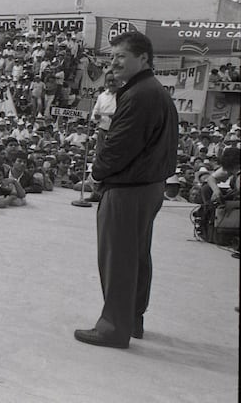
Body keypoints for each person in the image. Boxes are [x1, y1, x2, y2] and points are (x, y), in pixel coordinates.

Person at [74, 31, 178, 349]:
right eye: (113, 56)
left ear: (143, 58)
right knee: (135, 257)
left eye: (121, 56)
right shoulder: (149, 90)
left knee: (118, 259)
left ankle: (113, 327)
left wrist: (98, 174)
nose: (114, 62)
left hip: (128, 188)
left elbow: (118, 147)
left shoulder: (139, 95)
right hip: (146, 186)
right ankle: (132, 317)